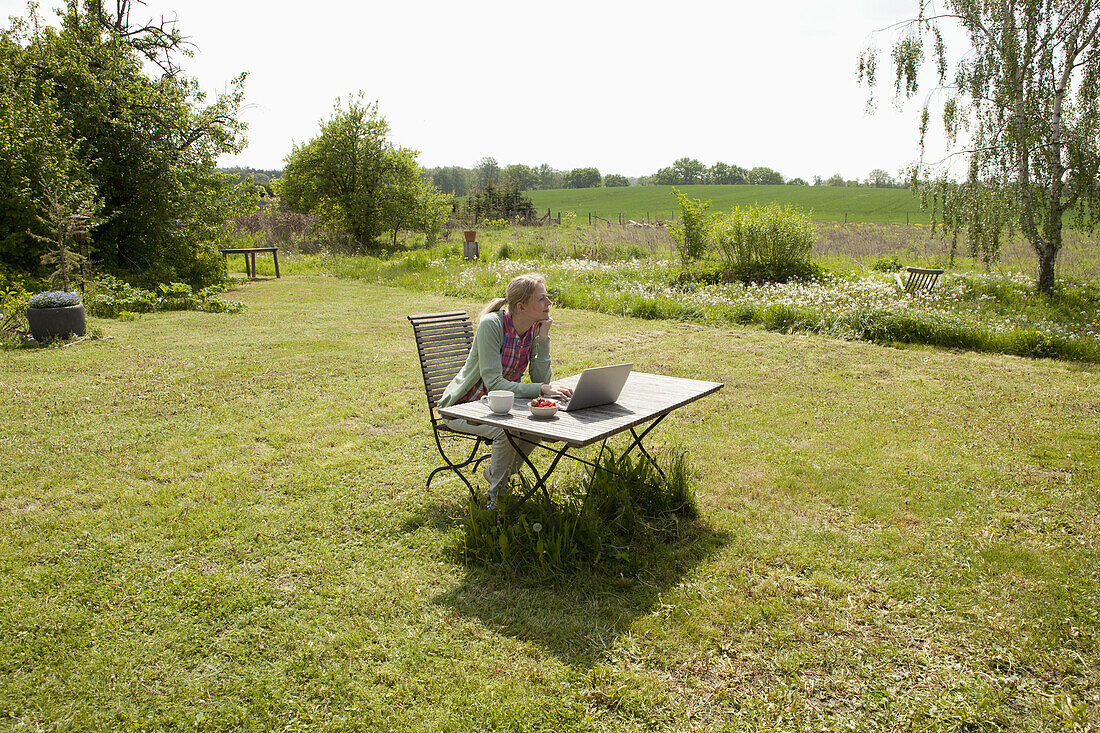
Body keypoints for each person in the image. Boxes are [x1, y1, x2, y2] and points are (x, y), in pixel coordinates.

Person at [438, 273, 574, 508]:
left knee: (538, 424)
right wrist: (541, 388)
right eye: (542, 299)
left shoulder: (532, 329)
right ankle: (497, 500)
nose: (549, 303)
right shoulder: (492, 325)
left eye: (547, 298)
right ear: (521, 306)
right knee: (505, 431)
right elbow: (495, 385)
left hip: (503, 407)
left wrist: (543, 338)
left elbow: (541, 380)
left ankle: (496, 475)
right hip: (463, 407)